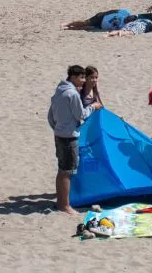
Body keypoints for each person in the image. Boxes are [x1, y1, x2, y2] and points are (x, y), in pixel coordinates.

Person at [48, 64, 99, 214]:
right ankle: (65, 205)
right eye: (82, 77)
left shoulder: (59, 91)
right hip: (68, 137)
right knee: (67, 171)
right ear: (73, 77)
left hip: (59, 135)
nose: (84, 81)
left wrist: (57, 128)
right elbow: (81, 115)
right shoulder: (72, 94)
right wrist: (94, 107)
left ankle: (61, 202)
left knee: (62, 169)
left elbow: (50, 115)